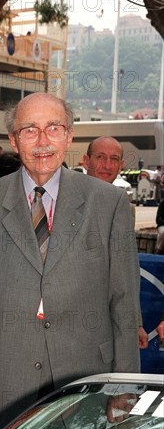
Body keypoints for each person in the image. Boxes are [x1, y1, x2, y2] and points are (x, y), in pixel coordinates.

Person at [0, 92, 140, 429]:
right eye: (30, 130)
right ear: (14, 140)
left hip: (84, 392)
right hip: (0, 392)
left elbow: (124, 304)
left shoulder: (109, 204)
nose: (43, 141)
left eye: (53, 128)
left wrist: (124, 389)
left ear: (69, 135)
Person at [83, 136, 149, 349]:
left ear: (121, 166)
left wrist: (135, 324)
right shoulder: (60, 199)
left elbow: (126, 271)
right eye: (100, 157)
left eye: (114, 159)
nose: (107, 165)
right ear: (86, 161)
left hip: (103, 323)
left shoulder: (125, 208)